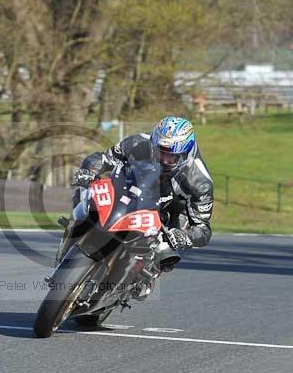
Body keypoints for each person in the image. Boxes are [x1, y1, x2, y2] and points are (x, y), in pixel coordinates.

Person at [70, 116, 214, 296]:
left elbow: (203, 228)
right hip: (132, 189)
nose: (166, 160)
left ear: (186, 154)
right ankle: (74, 232)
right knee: (84, 194)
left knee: (166, 250)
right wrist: (89, 171)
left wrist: (184, 236)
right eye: (162, 152)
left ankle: (142, 277)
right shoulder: (137, 143)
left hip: (169, 210)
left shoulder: (200, 183)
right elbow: (104, 158)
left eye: (173, 156)